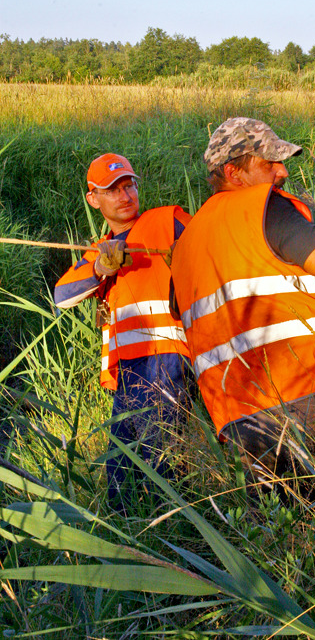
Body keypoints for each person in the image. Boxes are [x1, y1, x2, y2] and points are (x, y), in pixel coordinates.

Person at [170, 117, 315, 490]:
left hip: (238, 418)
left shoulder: (185, 245)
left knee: (296, 528)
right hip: (308, 389)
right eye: (269, 163)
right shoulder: (262, 207)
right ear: (233, 172)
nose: (281, 172)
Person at [55, 153, 193, 508]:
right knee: (120, 467)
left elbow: (209, 247)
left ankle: (173, 534)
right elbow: (63, 295)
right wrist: (102, 266)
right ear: (93, 199)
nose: (124, 194)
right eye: (112, 189)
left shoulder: (166, 220)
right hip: (127, 369)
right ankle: (124, 533)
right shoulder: (99, 251)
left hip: (164, 357)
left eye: (128, 184)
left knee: (160, 460)